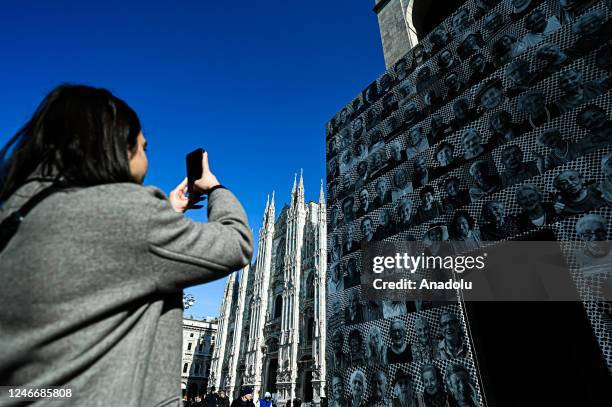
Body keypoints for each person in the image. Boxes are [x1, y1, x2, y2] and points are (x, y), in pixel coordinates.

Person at [0, 85, 253, 406]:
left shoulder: (14, 211)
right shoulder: (125, 213)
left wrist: (166, 213)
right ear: (116, 147)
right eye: (143, 147)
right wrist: (215, 187)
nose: (147, 156)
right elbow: (236, 243)